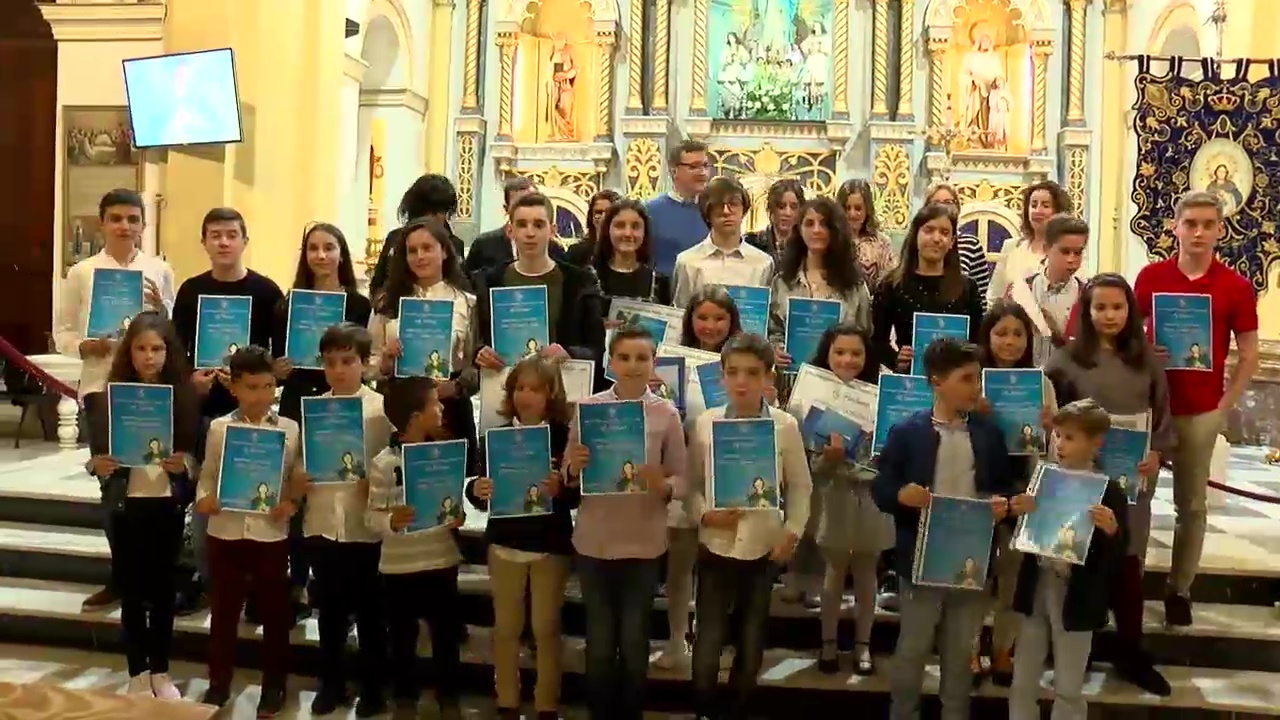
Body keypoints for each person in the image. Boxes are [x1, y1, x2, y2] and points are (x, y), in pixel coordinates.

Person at [871, 337, 1017, 720]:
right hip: (920, 558)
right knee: (914, 647)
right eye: (967, 379)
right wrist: (902, 493)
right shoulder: (907, 432)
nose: (977, 388)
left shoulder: (987, 433)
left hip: (971, 557)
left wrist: (1003, 504)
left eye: (978, 379)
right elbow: (881, 485)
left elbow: (1006, 484)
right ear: (937, 381)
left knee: (960, 649)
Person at [1047, 273, 1177, 695]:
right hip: (1079, 481)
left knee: (1127, 563)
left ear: (1130, 311)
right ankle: (1075, 651)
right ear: (1086, 312)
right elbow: (1047, 408)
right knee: (1080, 559)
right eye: (1100, 307)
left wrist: (1157, 451)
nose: (1109, 315)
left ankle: (1131, 650)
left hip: (1130, 484)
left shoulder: (1147, 361)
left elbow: (1162, 416)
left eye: (1118, 307)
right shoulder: (1066, 361)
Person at [1133, 190, 1258, 627]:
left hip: (1201, 409)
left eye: (1208, 224)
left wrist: (1224, 405)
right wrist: (1146, 347)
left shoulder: (1236, 287)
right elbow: (1130, 338)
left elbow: (1249, 354)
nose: (1199, 232)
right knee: (1138, 501)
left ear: (1220, 229)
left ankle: (1179, 589)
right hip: (1150, 408)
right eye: (1191, 223)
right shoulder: (1150, 277)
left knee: (1192, 505)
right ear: (1175, 227)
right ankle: (1128, 583)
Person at [55, 189, 176, 612]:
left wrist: (162, 309)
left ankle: (151, 577)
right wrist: (83, 344)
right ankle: (120, 577)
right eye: (116, 218)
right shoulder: (82, 272)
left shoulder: (159, 270)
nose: (125, 226)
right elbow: (63, 331)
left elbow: (171, 333)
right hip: (101, 387)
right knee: (114, 484)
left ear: (144, 224)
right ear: (101, 223)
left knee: (152, 484)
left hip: (149, 391)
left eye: (132, 219)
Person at [562, 326, 688, 720]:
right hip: (594, 541)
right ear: (610, 362)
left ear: (654, 364)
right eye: (625, 358)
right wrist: (573, 467)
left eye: (642, 358)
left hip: (644, 542)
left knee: (634, 640)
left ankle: (631, 711)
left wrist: (663, 484)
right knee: (599, 639)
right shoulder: (588, 409)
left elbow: (682, 479)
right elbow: (567, 472)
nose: (633, 365)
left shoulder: (666, 414)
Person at [686, 333, 812, 720]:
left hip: (763, 548)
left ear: (767, 378)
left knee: (752, 637)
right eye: (733, 372)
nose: (742, 381)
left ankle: (737, 709)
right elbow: (690, 485)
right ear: (721, 376)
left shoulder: (785, 426)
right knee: (707, 640)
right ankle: (704, 709)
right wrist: (703, 514)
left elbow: (801, 486)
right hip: (715, 547)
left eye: (753, 373)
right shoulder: (704, 424)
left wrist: (792, 531)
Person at [172, 207, 285, 616]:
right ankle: (207, 579)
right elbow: (174, 354)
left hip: (254, 416)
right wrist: (192, 381)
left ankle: (256, 586)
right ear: (203, 242)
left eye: (231, 234)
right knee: (205, 502)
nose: (223, 242)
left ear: (244, 240)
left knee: (255, 500)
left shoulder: (267, 292)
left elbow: (277, 357)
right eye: (215, 235)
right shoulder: (189, 291)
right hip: (206, 414)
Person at [87, 312, 199, 699]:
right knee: (132, 592)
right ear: (128, 352)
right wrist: (97, 466)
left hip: (165, 504)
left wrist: (183, 464)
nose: (149, 357)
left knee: (163, 590)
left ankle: (160, 670)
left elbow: (195, 458)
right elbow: (95, 457)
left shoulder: (184, 397)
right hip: (126, 505)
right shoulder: (109, 398)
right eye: (141, 348)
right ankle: (137, 670)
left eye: (157, 348)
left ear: (169, 352)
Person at [270, 222, 373, 620]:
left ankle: (340, 590)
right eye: (313, 248)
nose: (321, 255)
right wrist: (278, 369)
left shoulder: (358, 306)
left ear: (341, 254)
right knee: (299, 488)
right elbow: (276, 359)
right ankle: (296, 584)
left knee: (339, 484)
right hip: (300, 401)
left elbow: (363, 356)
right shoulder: (288, 305)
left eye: (329, 247)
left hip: (343, 403)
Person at [465, 357, 575, 720]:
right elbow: (477, 489)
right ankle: (507, 700)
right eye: (520, 388)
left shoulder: (564, 436)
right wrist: (478, 489)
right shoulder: (493, 436)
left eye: (536, 389)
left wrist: (562, 487)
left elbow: (577, 496)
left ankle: (546, 704)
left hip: (550, 545)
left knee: (545, 628)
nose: (526, 396)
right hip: (505, 542)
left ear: (551, 394)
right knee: (507, 628)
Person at [194, 346, 302, 715]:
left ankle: (274, 687)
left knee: (274, 615)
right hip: (225, 532)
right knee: (223, 615)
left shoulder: (290, 429)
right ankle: (218, 683)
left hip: (270, 534)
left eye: (269, 386)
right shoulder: (219, 428)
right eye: (253, 387)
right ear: (235, 387)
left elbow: (294, 479)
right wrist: (204, 498)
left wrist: (291, 503)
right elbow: (208, 474)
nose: (262, 395)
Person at [1009, 399, 1127, 720]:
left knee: (1069, 683)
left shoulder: (1109, 490)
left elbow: (1120, 552)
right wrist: (1019, 511)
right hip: (1037, 585)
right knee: (1023, 675)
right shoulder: (1042, 479)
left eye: (1070, 438)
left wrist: (1112, 530)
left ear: (1095, 442)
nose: (1060, 444)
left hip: (1077, 594)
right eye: (1058, 435)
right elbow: (1022, 531)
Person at [299, 324, 394, 716]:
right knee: (331, 613)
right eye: (331, 362)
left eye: (347, 361)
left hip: (365, 525)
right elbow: (300, 460)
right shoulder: (314, 408)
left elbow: (393, 463)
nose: (339, 370)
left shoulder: (382, 409)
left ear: (365, 363)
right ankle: (331, 682)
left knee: (372, 614)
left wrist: (376, 482)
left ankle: (372, 687)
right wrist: (299, 477)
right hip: (322, 521)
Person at [365, 376, 468, 719]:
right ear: (413, 417)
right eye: (434, 404)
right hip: (398, 566)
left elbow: (453, 506)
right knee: (403, 637)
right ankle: (405, 696)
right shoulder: (383, 464)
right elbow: (371, 518)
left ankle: (448, 695)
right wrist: (391, 520)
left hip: (440, 558)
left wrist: (457, 517)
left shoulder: (444, 454)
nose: (441, 408)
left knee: (445, 635)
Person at [972, 299, 1058, 685]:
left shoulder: (1041, 384)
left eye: (1017, 334)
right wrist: (976, 414)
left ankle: (1003, 649)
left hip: (1021, 487)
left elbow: (1055, 448)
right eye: (1001, 333)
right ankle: (970, 649)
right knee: (973, 572)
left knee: (1012, 573)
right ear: (987, 337)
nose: (1009, 342)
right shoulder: (970, 379)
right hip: (977, 485)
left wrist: (1048, 427)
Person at [805, 323, 889, 676]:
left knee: (868, 572)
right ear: (827, 354)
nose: (848, 359)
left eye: (856, 353)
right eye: (840, 352)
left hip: (873, 495)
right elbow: (811, 464)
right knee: (834, 571)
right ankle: (827, 643)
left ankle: (863, 645)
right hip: (834, 493)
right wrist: (830, 458)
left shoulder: (884, 393)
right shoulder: (813, 395)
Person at [370, 215, 481, 475]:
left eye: (427, 248)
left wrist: (455, 387)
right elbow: (369, 362)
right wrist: (386, 360)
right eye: (412, 251)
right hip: (401, 411)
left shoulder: (467, 301)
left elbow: (475, 363)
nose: (420, 256)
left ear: (444, 252)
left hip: (449, 410)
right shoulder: (388, 301)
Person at [472, 193, 605, 376]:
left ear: (552, 230)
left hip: (563, 387)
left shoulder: (580, 281)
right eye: (521, 224)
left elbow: (597, 348)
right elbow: (474, 342)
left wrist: (570, 353)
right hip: (504, 386)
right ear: (510, 231)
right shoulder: (488, 281)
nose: (530, 233)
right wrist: (480, 353)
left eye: (538, 224)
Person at [871, 202, 984, 374]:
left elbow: (979, 344)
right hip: (909, 384)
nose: (936, 238)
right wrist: (896, 359)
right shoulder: (891, 285)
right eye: (929, 230)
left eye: (945, 233)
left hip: (956, 384)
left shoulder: (968, 288)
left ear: (952, 241)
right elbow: (877, 341)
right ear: (915, 235)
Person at [671, 176, 774, 308]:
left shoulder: (763, 263)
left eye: (733, 204)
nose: (726, 211)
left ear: (744, 210)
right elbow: (681, 314)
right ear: (708, 212)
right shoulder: (687, 262)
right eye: (719, 205)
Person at [1006, 213, 1087, 366]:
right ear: (1047, 248)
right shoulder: (1020, 290)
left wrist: (1058, 334)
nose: (1071, 259)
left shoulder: (1086, 296)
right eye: (1065, 251)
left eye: (1078, 253)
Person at [370, 174, 467, 296]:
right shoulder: (395, 239)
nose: (437, 216)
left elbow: (460, 285)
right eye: (431, 210)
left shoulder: (454, 243)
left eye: (442, 210)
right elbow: (378, 284)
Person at [987, 180, 1073, 304]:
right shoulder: (1011, 247)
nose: (1038, 211)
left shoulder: (1068, 250)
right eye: (1033, 205)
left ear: (1058, 211)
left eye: (1045, 205)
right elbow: (994, 296)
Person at [464, 177, 567, 277]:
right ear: (506, 208)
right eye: (519, 204)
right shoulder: (484, 244)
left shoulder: (555, 249)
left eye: (532, 201)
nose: (528, 208)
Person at [645, 139, 712, 278]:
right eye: (694, 167)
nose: (703, 173)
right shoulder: (650, 211)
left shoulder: (714, 211)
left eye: (705, 166)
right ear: (674, 171)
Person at [591, 199, 673, 307]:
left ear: (644, 232)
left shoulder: (659, 282)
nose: (628, 233)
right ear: (607, 230)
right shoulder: (588, 278)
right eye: (620, 225)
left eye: (635, 226)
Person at [925, 182, 992, 303]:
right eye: (936, 203)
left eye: (948, 202)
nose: (943, 208)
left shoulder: (971, 244)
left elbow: (980, 296)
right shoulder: (920, 243)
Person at [836, 179, 898, 290]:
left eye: (858, 208)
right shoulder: (832, 241)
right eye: (847, 208)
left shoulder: (882, 243)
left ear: (867, 210)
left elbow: (891, 281)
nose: (852, 214)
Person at [744, 178, 804, 261]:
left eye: (793, 207)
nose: (788, 213)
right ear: (772, 209)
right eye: (781, 207)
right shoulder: (752, 243)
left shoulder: (808, 245)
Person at [565, 188, 622, 267]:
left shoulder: (626, 251)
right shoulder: (576, 253)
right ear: (591, 217)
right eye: (598, 212)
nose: (603, 217)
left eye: (608, 212)